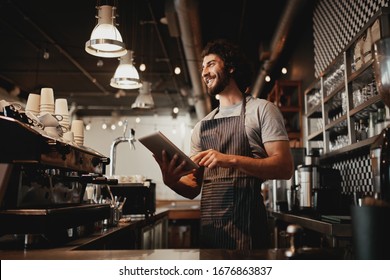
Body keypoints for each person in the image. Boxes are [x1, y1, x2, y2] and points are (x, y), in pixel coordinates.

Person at [155, 39, 294, 250]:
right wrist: (172, 181)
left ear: (230, 67)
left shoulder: (262, 110)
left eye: (210, 64)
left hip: (249, 232)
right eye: (202, 67)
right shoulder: (201, 127)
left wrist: (229, 159)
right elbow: (193, 187)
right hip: (211, 235)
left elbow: (284, 167)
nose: (204, 72)